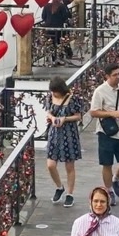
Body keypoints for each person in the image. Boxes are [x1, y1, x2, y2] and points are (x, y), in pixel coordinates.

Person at [86, 64, 119, 199]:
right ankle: (108, 191)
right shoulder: (100, 91)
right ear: (107, 76)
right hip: (106, 132)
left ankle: (116, 178)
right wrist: (111, 114)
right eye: (115, 75)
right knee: (107, 163)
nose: (118, 77)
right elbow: (93, 112)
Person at [44, 76, 83, 207]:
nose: (54, 93)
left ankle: (70, 194)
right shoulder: (50, 97)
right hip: (54, 134)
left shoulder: (73, 99)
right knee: (50, 164)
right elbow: (48, 112)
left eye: (55, 91)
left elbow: (78, 116)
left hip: (69, 134)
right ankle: (59, 187)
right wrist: (53, 117)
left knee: (69, 166)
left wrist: (64, 119)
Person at [39, 0, 73, 65]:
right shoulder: (61, 6)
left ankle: (53, 59)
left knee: (52, 43)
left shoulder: (46, 6)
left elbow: (43, 17)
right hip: (58, 29)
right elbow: (66, 17)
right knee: (61, 40)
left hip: (48, 30)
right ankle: (62, 56)